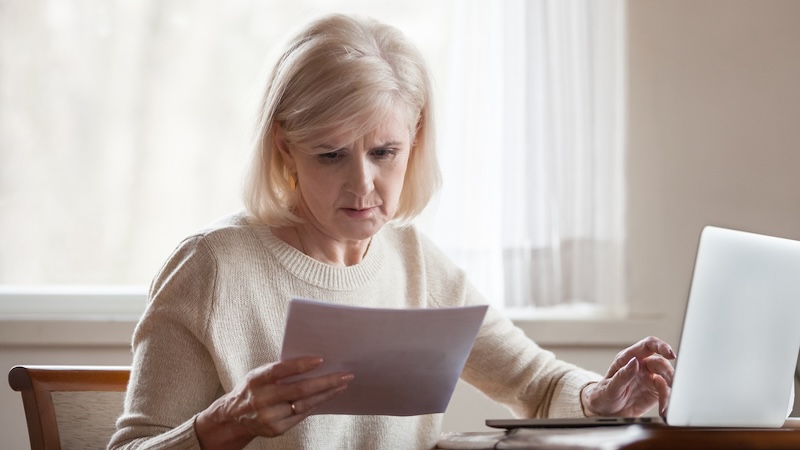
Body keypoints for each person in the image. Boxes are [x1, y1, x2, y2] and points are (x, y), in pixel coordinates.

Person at [109, 13, 675, 450]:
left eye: (385, 152)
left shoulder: (416, 264)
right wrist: (223, 424)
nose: (363, 185)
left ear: (415, 139)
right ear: (285, 145)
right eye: (330, 155)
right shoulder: (213, 267)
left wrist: (599, 397)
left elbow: (537, 384)